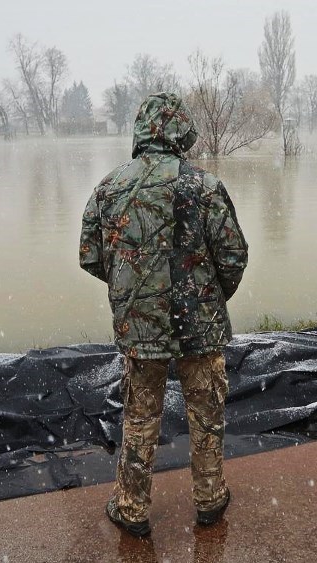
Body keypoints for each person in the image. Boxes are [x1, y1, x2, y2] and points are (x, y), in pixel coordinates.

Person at [79, 92, 248, 537]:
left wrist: (136, 296)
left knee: (139, 416)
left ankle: (132, 507)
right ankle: (209, 500)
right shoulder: (205, 187)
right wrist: (209, 297)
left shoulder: (109, 188)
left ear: (140, 131)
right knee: (206, 413)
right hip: (201, 327)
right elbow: (233, 256)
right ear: (180, 132)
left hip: (140, 331)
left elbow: (92, 258)